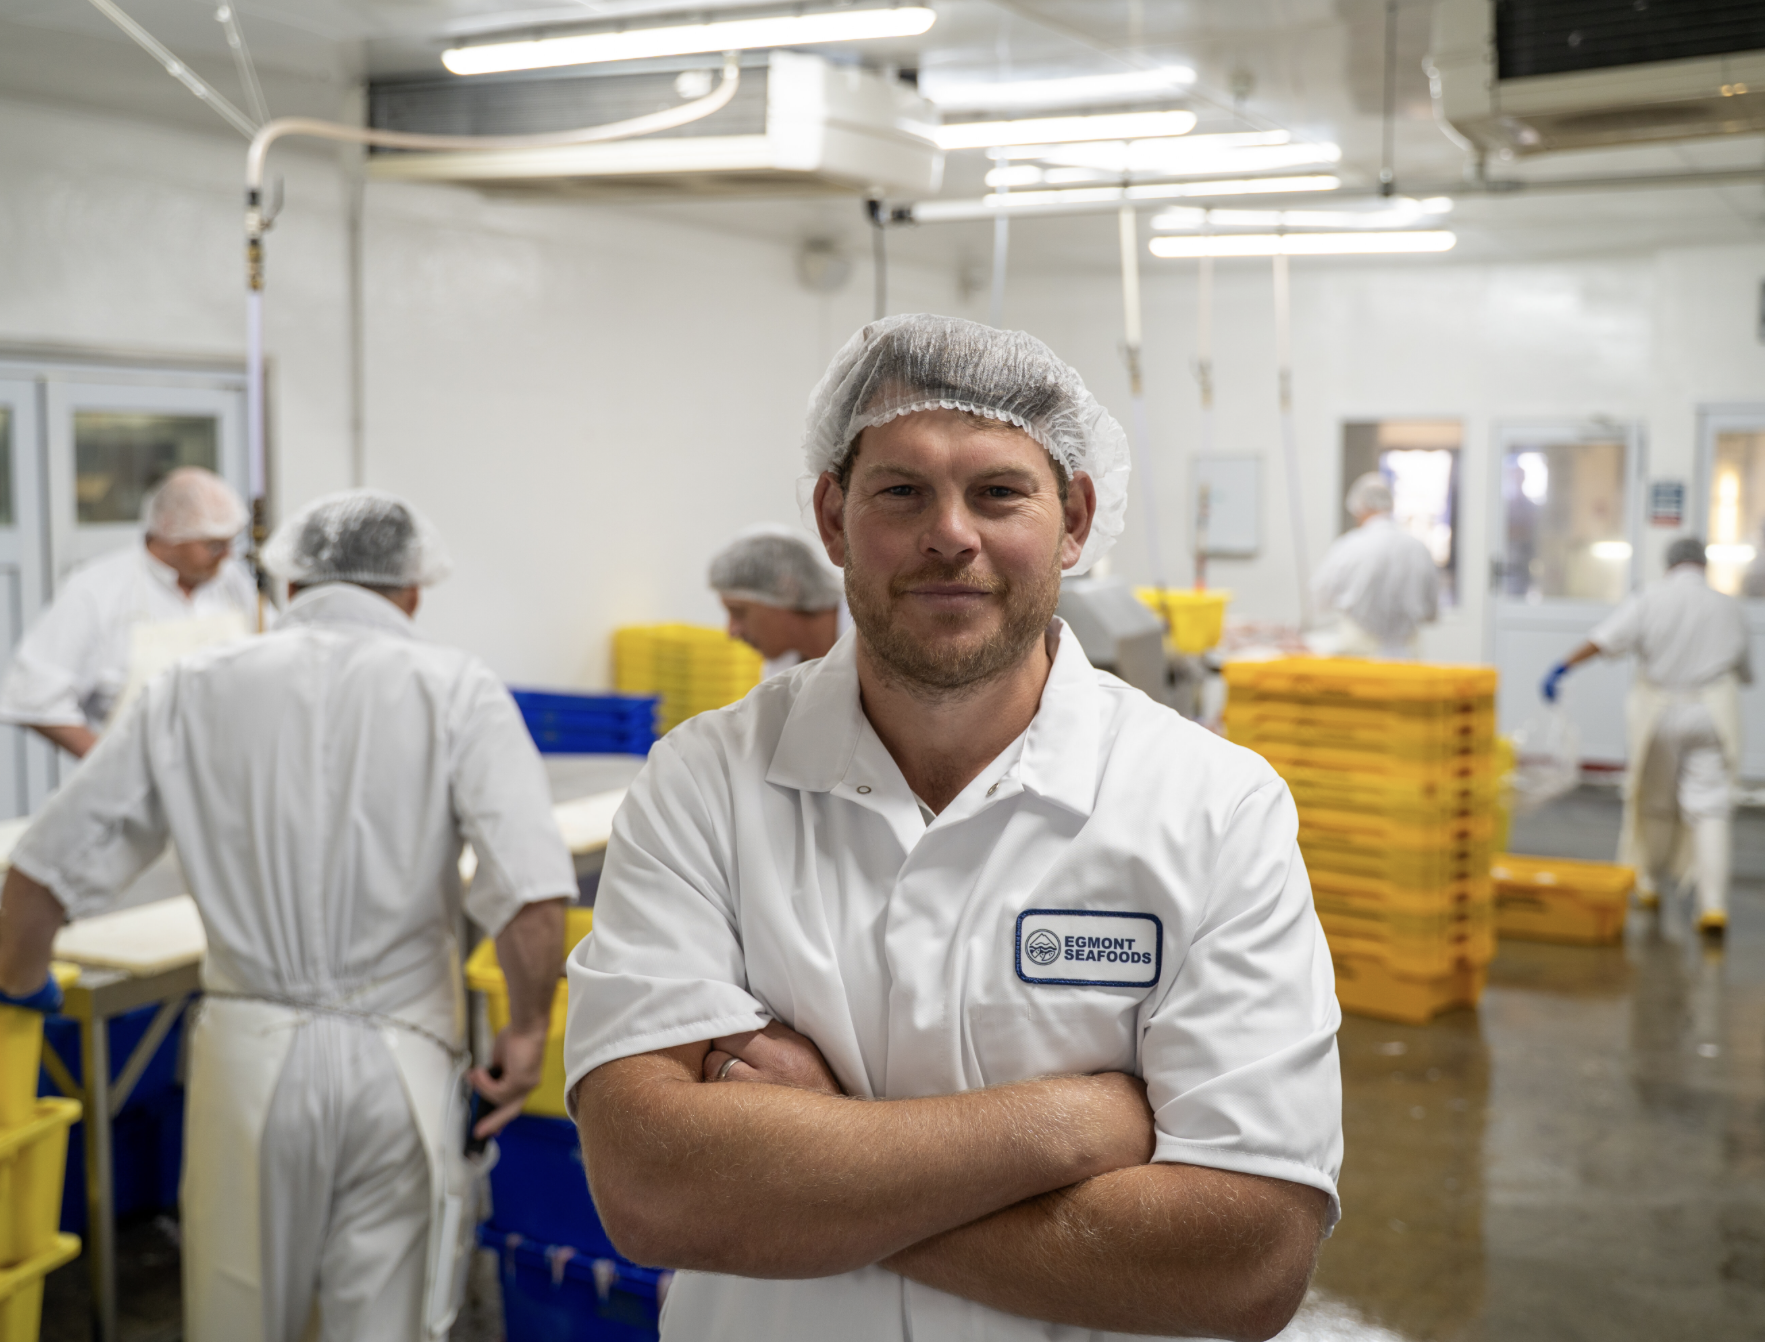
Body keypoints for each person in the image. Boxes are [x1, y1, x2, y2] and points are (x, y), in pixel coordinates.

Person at [563, 315, 1341, 1342]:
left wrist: (804, 1173)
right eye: (901, 491)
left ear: (1075, 520)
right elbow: (652, 1189)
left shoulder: (1215, 806)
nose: (951, 534)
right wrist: (1067, 1124)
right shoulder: (704, 781)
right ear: (833, 518)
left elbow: (1245, 1261)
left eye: (999, 490)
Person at [0, 489, 576, 1341]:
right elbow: (530, 893)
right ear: (412, 591)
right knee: (388, 1320)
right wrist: (525, 1034)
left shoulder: (190, 687)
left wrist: (19, 986)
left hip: (247, 1060)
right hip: (402, 1061)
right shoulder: (458, 688)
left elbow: (43, 872)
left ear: (288, 581)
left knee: (239, 1310)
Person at [1543, 536, 1751, 935]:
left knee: (1653, 801)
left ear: (1669, 564)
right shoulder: (1728, 606)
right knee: (1710, 808)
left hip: (1658, 714)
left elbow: (1603, 640)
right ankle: (1713, 906)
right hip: (1711, 713)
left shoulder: (1651, 598)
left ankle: (1648, 883)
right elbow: (1745, 670)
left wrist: (1562, 667)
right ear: (1702, 565)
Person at [0, 466, 259, 759]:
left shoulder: (233, 582)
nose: (227, 555)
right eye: (214, 545)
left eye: (230, 542)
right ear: (169, 533)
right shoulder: (96, 590)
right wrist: (110, 768)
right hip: (142, 790)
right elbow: (33, 696)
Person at [1308, 472, 1439, 658]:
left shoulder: (1350, 546)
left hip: (1360, 652)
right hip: (1407, 655)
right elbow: (1431, 610)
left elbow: (1319, 596)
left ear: (1359, 509)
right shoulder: (1418, 549)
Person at [707, 523, 848, 672]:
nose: (732, 631)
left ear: (788, 588)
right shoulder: (780, 669)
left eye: (739, 612)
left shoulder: (869, 639)